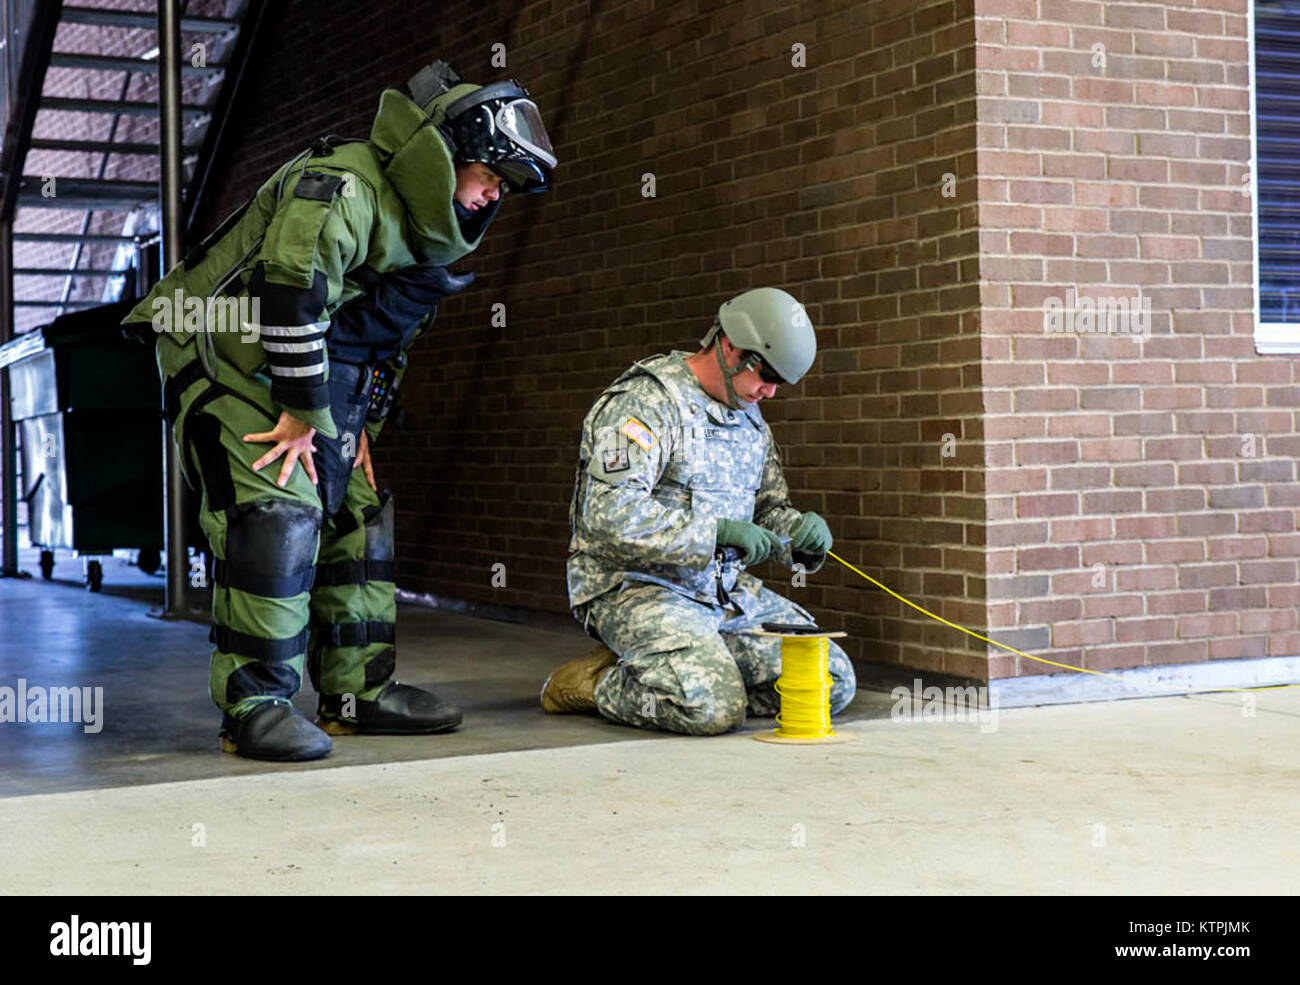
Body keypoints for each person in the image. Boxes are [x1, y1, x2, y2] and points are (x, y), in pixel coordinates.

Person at [123, 60, 556, 761]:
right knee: (279, 513)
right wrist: (301, 412)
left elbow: (380, 343)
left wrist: (356, 429)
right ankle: (255, 705)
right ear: (445, 154)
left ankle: (358, 694)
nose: (491, 195)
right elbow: (290, 291)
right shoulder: (345, 187)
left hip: (303, 372)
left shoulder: (421, 236)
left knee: (358, 514)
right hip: (222, 355)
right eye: (488, 175)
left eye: (501, 187)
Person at [543, 287, 856, 734]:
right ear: (730, 346)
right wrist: (716, 533)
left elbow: (768, 511)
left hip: (722, 593)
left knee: (829, 680)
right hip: (639, 588)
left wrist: (800, 537)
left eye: (779, 384)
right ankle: (597, 683)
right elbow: (607, 514)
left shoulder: (749, 418)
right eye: (765, 375)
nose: (769, 392)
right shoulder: (646, 403)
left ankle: (694, 663)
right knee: (711, 708)